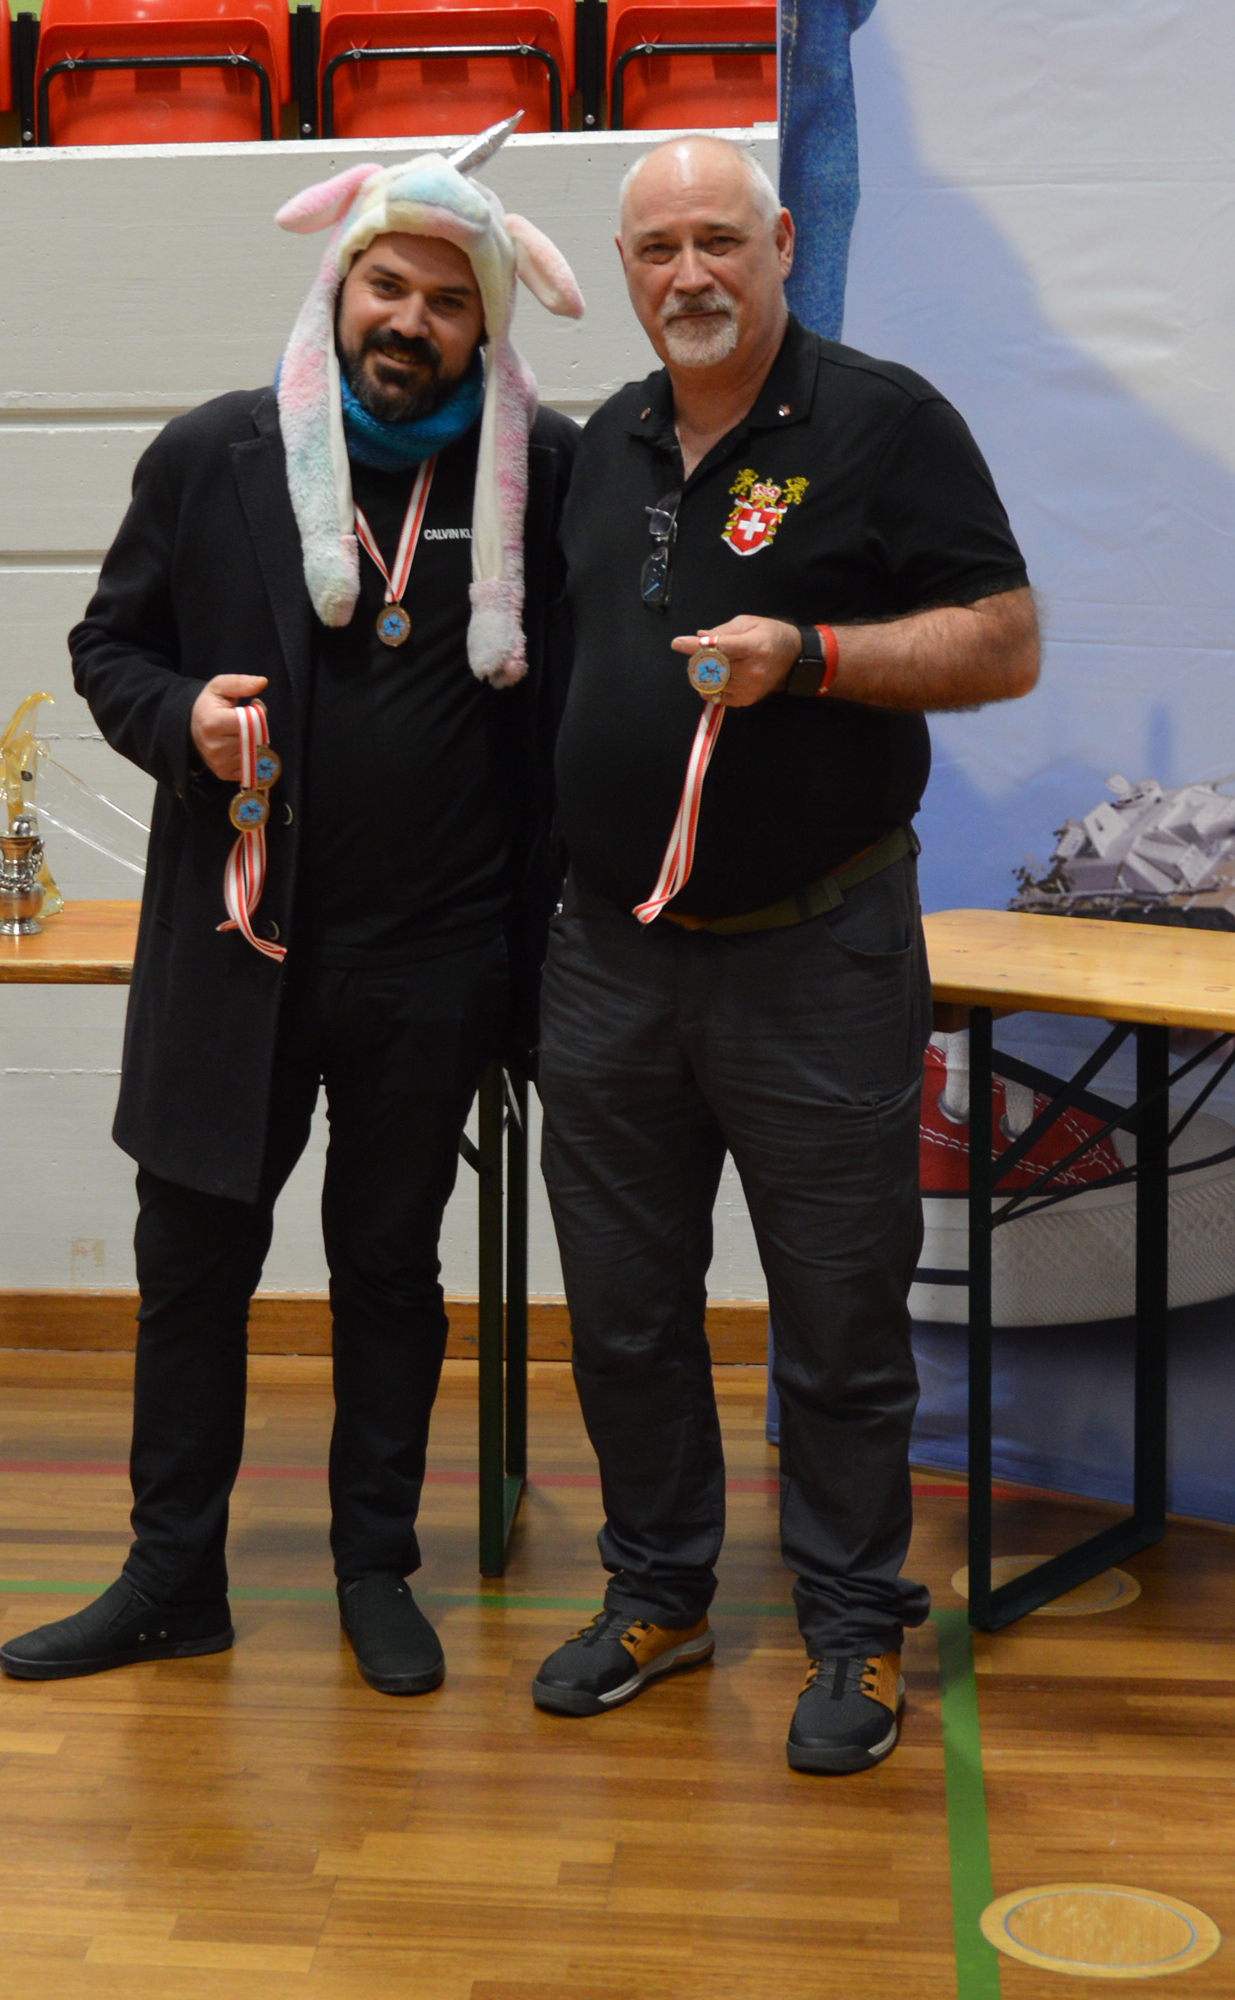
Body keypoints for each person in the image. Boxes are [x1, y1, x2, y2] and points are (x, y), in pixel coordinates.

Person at [0, 127, 583, 1697]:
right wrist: (181, 716)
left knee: (389, 1272)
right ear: (340, 283)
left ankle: (372, 1568)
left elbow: (568, 719)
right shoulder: (214, 454)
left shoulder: (542, 471)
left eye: (447, 301)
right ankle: (171, 1577)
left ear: (484, 322)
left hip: (436, 962)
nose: (411, 321)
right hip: (232, 954)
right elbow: (108, 648)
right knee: (193, 1271)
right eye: (388, 285)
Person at [529, 135, 1038, 1771]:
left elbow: (1004, 643)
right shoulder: (600, 445)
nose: (690, 273)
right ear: (625, 272)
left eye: (719, 240)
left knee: (837, 1317)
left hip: (819, 956)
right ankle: (659, 1593)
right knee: (623, 1312)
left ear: (782, 246)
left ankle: (852, 1626)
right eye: (657, 248)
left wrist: (810, 656)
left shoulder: (885, 422)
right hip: (612, 961)